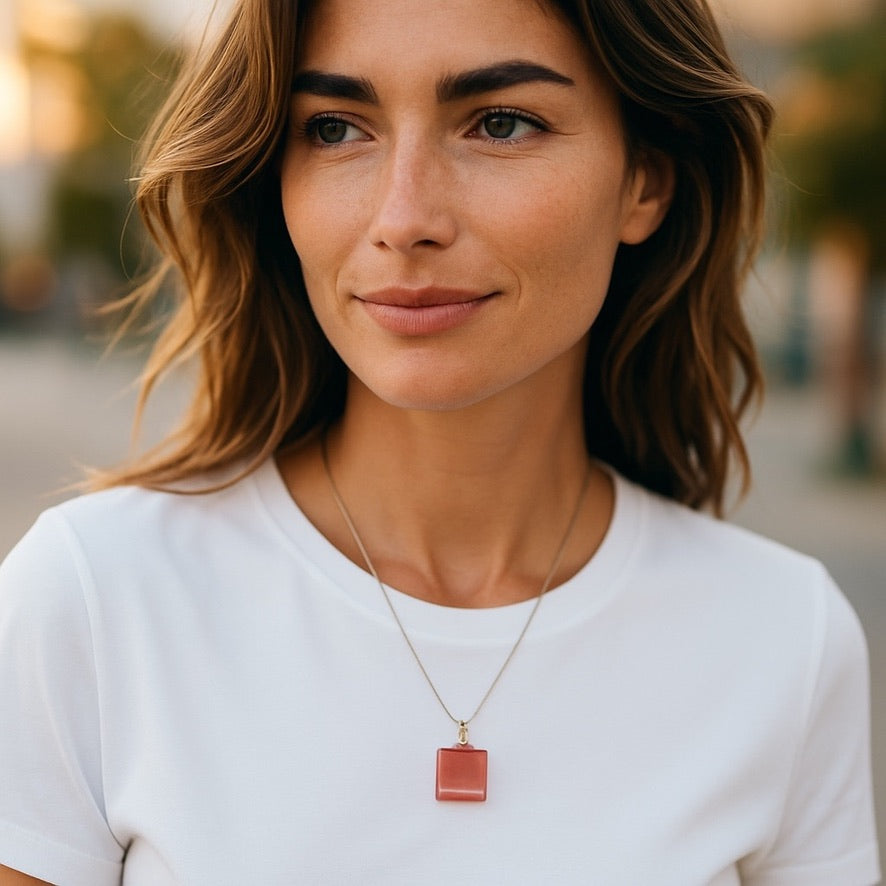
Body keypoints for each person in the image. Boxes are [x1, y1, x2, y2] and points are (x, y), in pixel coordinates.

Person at [0, 0, 879, 882]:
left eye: (499, 123)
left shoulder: (784, 640)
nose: (404, 216)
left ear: (646, 179)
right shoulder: (93, 602)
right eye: (337, 128)